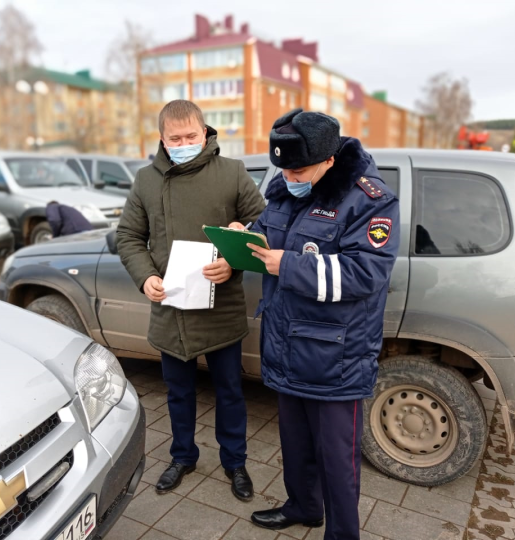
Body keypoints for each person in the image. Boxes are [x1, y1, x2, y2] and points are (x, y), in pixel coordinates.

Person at [243, 109, 400, 539]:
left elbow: (366, 274)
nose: (289, 175)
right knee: (295, 447)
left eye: (298, 168)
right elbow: (268, 234)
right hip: (287, 344)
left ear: (329, 160)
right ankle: (304, 507)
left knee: (337, 460)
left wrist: (286, 265)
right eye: (284, 167)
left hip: (336, 355)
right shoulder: (284, 189)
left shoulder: (370, 199)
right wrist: (244, 237)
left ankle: (343, 533)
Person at [116, 100, 266, 501]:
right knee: (177, 393)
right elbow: (128, 237)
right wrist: (146, 276)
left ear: (206, 133)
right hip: (171, 310)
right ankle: (182, 456)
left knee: (230, 391)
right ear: (162, 139)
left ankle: (235, 462)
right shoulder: (146, 180)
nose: (184, 143)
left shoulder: (232, 173)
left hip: (221, 309)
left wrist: (234, 262)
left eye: (191, 136)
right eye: (175, 138)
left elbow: (263, 228)